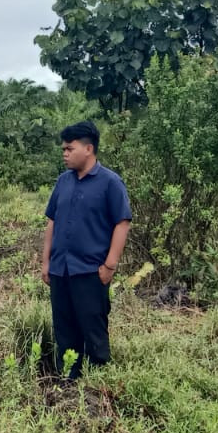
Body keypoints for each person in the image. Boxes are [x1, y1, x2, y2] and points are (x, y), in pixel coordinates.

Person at [40, 121, 130, 378]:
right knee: (64, 330)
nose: (65, 154)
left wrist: (109, 266)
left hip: (91, 271)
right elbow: (51, 222)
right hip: (60, 270)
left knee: (93, 329)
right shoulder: (63, 182)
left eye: (70, 148)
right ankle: (68, 383)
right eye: (63, 150)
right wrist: (46, 263)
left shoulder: (110, 182)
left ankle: (99, 387)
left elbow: (122, 223)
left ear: (88, 148)